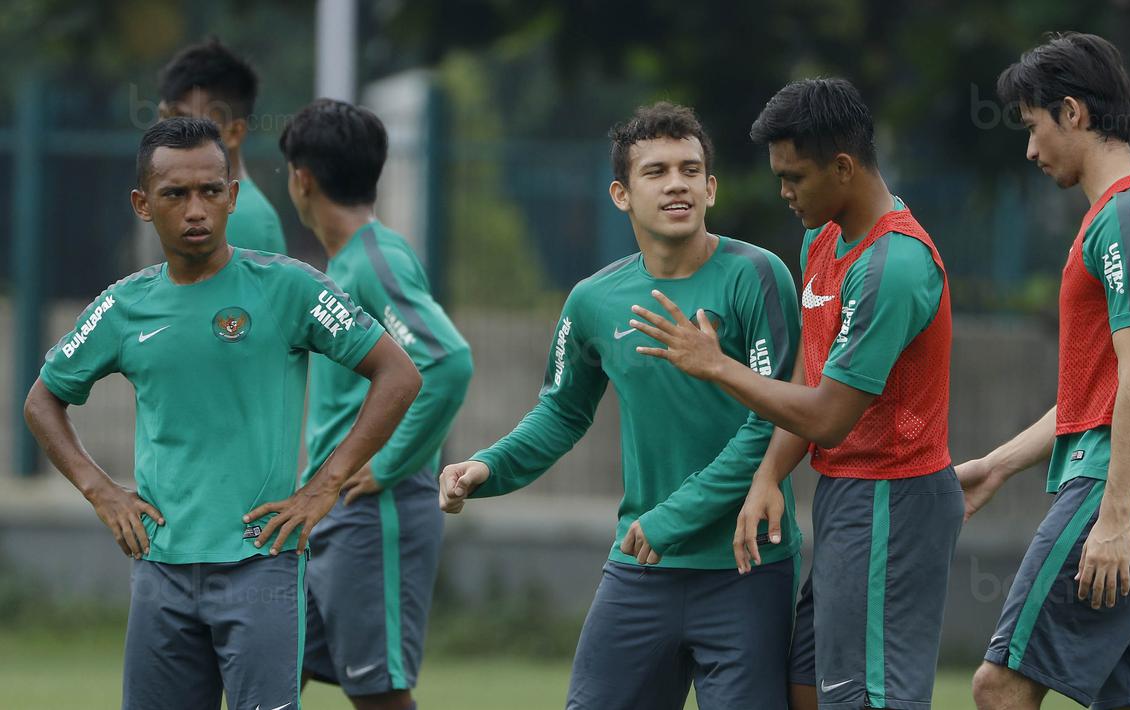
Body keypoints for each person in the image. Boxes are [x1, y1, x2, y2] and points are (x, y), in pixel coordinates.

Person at [23, 117, 421, 710]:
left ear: (233, 196)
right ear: (142, 204)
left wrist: (324, 486)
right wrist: (101, 491)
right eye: (175, 194)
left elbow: (399, 374)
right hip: (160, 569)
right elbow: (42, 400)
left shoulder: (289, 289)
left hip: (261, 564)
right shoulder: (124, 305)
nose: (196, 210)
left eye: (211, 191)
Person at [439, 102, 802, 710]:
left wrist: (671, 517)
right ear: (621, 195)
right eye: (656, 172)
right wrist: (489, 467)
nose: (677, 183)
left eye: (690, 170)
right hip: (642, 566)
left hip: (747, 567)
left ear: (711, 188)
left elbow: (775, 419)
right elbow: (561, 411)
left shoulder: (758, 277)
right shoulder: (592, 301)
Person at [630, 79, 962, 710]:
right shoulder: (824, 239)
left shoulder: (892, 266)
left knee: (866, 700)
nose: (783, 192)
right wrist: (768, 475)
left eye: (795, 177)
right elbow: (810, 374)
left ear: (843, 167)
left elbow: (830, 416)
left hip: (892, 501)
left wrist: (719, 367)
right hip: (845, 498)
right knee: (806, 690)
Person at [959, 32, 1130, 710]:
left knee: (999, 685)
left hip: (1119, 492)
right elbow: (1094, 396)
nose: (1030, 150)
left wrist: (1113, 516)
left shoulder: (1127, 215)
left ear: (1071, 112)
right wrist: (998, 464)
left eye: (1033, 128)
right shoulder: (1124, 215)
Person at [285, 98, 473, 710]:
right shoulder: (350, 262)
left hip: (375, 514)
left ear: (301, 178)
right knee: (272, 675)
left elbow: (447, 360)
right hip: (332, 514)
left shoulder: (375, 260)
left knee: (381, 694)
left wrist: (385, 464)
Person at [159, 37, 287, 253]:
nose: (165, 132)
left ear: (234, 133)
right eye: (164, 116)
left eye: (183, 120)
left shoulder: (239, 219)